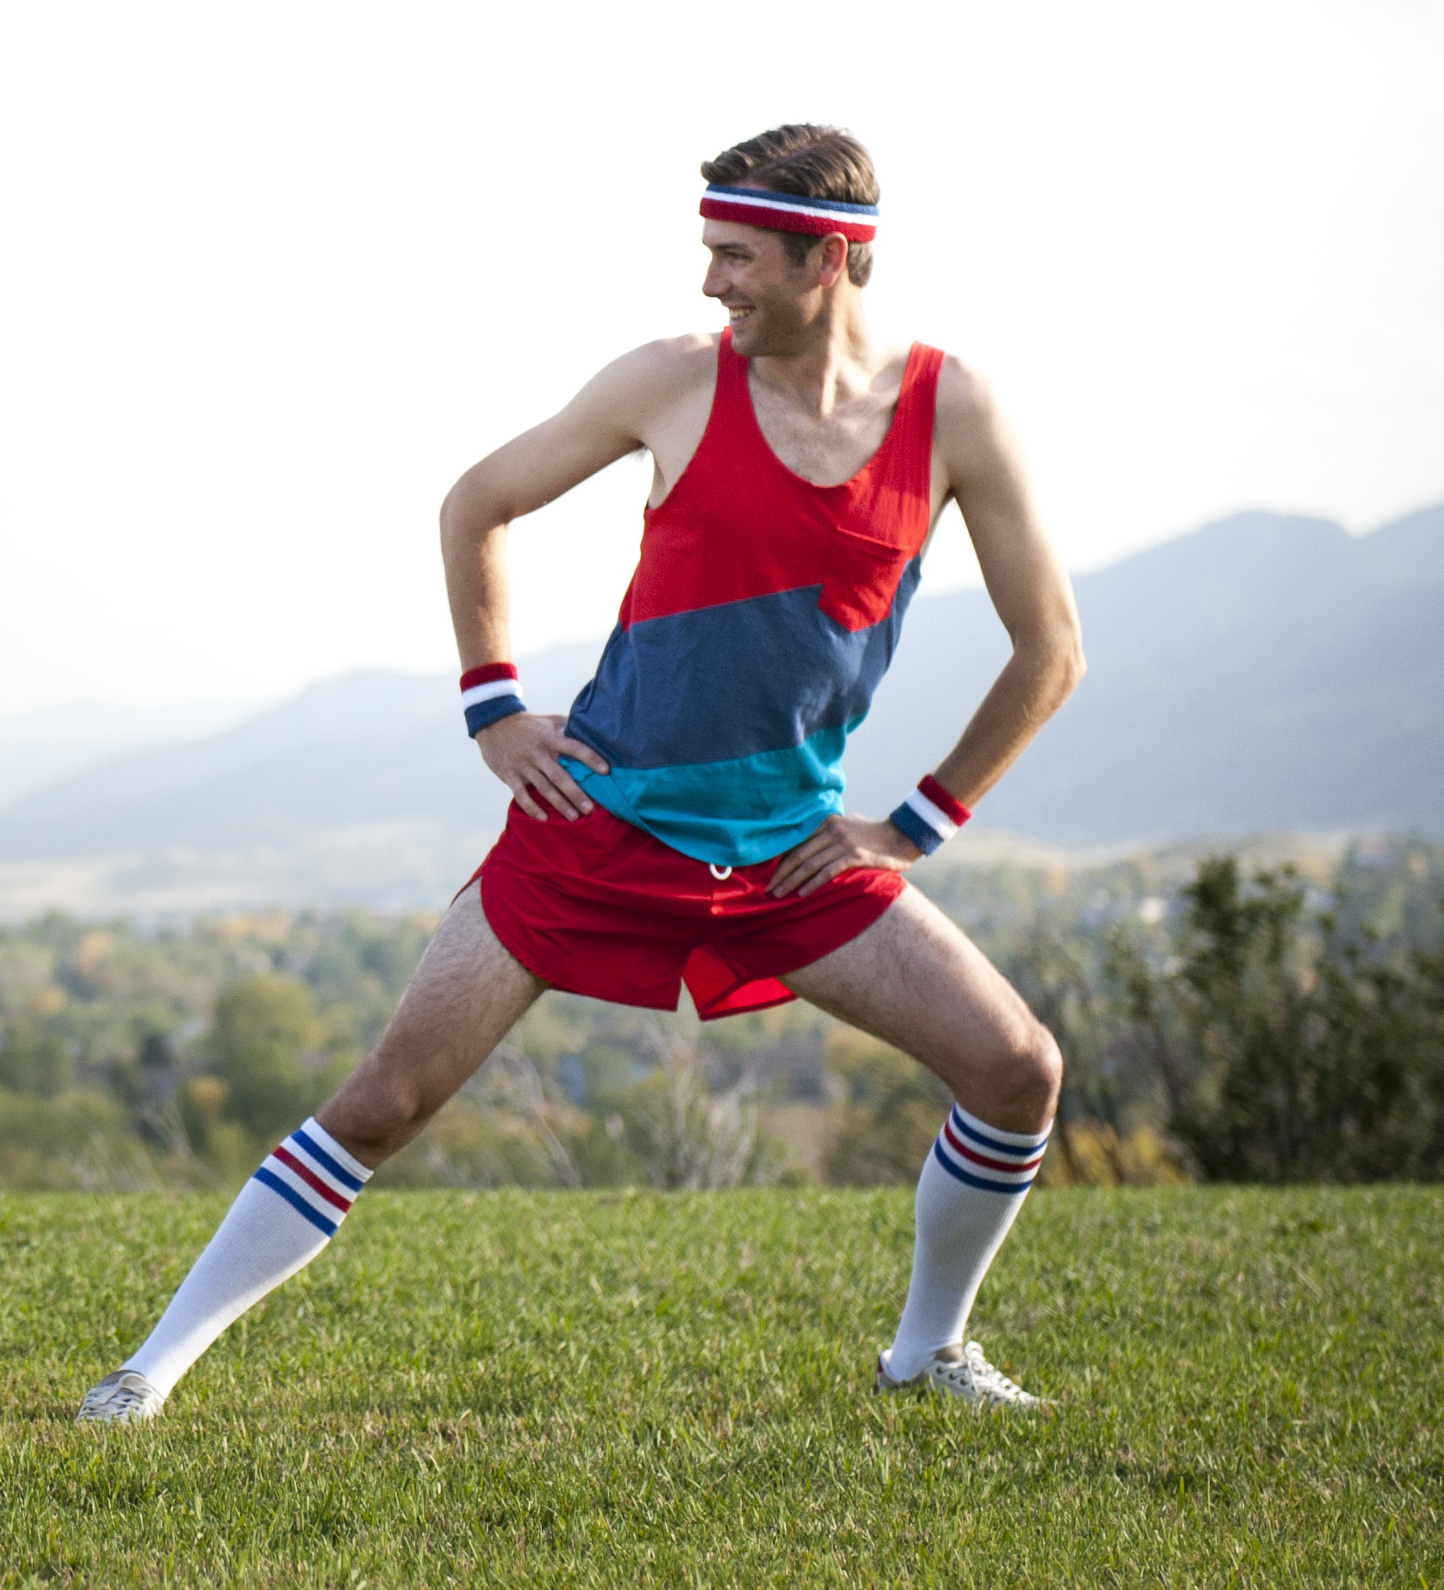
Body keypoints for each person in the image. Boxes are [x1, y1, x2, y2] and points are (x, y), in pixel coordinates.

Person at [76, 124, 1088, 1422]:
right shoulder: (669, 379)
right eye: (708, 252)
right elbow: (475, 500)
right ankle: (143, 1373)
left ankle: (925, 1356)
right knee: (384, 1101)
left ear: (827, 259)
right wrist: (493, 707)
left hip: (788, 853)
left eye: (736, 256)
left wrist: (912, 822)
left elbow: (1050, 649)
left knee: (1018, 1069)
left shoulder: (955, 411)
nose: (712, 281)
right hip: (593, 829)